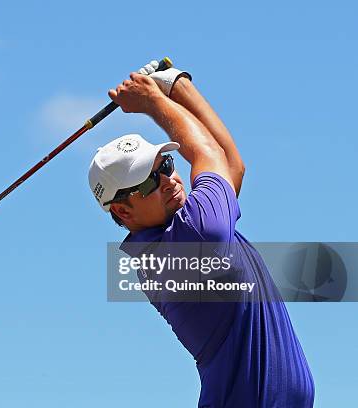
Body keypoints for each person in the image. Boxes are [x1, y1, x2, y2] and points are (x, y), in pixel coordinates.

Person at [87, 62, 315, 407]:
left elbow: (230, 165)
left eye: (165, 165)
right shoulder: (190, 241)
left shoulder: (191, 226)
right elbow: (208, 154)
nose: (169, 180)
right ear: (122, 211)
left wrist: (176, 85)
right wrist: (152, 102)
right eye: (150, 182)